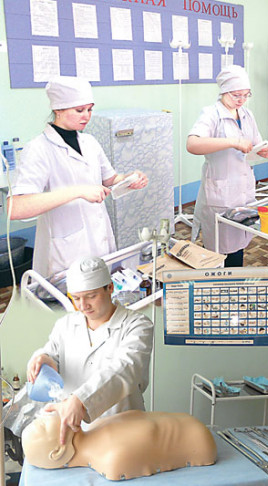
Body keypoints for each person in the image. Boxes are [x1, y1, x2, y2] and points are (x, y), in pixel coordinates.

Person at [7, 76, 148, 277]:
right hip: (66, 248)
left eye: (89, 109)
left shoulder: (90, 142)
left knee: (101, 286)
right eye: (79, 110)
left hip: (99, 236)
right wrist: (78, 191)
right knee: (72, 294)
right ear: (58, 110)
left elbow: (110, 179)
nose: (87, 116)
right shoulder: (38, 149)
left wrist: (129, 178)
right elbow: (16, 208)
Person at [26, 256, 153, 445]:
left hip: (121, 429)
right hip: (74, 430)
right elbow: (52, 353)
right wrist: (44, 359)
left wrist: (81, 399)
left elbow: (124, 369)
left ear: (110, 288)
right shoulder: (65, 325)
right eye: (76, 298)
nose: (83, 305)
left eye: (91, 296)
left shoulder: (137, 325)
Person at [187, 65, 268, 267]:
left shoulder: (246, 115)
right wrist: (232, 142)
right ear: (224, 91)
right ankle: (217, 283)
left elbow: (254, 143)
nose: (241, 100)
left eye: (246, 95)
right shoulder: (211, 114)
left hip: (243, 189)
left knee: (238, 246)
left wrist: (262, 150)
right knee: (219, 250)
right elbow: (192, 144)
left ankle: (234, 281)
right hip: (221, 194)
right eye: (236, 95)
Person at [22, 410, 216, 480]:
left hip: (195, 432)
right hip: (198, 441)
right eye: (42, 426)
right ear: (58, 452)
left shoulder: (95, 427)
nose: (44, 417)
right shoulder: (111, 461)